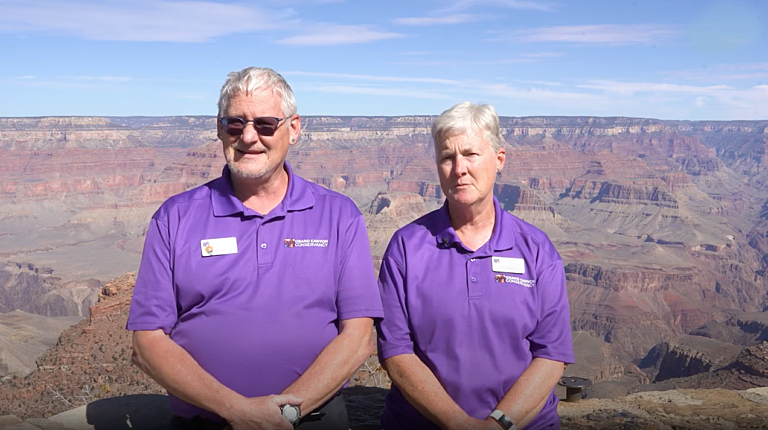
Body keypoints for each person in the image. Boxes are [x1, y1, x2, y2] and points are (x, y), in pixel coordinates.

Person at [127, 67, 383, 430]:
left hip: (313, 419)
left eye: (265, 124)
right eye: (235, 124)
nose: (249, 137)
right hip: (209, 422)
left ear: (293, 129)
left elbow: (358, 337)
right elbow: (147, 341)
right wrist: (237, 411)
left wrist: (284, 415)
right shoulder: (175, 217)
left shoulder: (339, 215)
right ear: (219, 129)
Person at [376, 102, 574, 430]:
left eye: (470, 154)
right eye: (447, 157)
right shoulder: (407, 248)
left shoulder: (536, 249)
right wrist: (459, 424)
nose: (459, 169)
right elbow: (396, 354)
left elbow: (551, 355)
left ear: (499, 160)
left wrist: (498, 424)